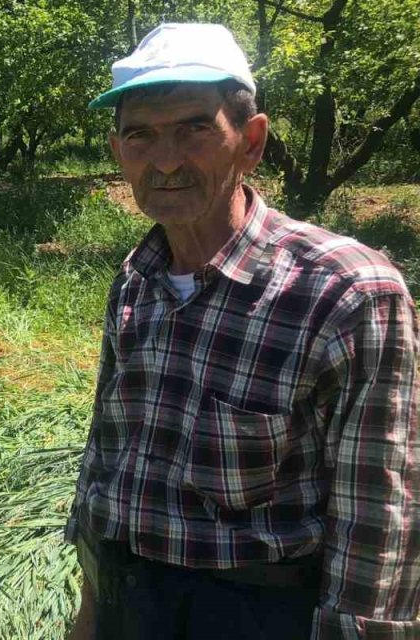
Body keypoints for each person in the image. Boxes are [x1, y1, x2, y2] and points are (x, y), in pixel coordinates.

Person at [65, 23, 419, 639]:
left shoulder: (344, 293)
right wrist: (92, 609)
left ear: (251, 142)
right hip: (130, 601)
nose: (165, 160)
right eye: (141, 136)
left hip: (254, 613)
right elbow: (107, 462)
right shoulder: (136, 278)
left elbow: (380, 522)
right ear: (118, 152)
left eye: (195, 129)